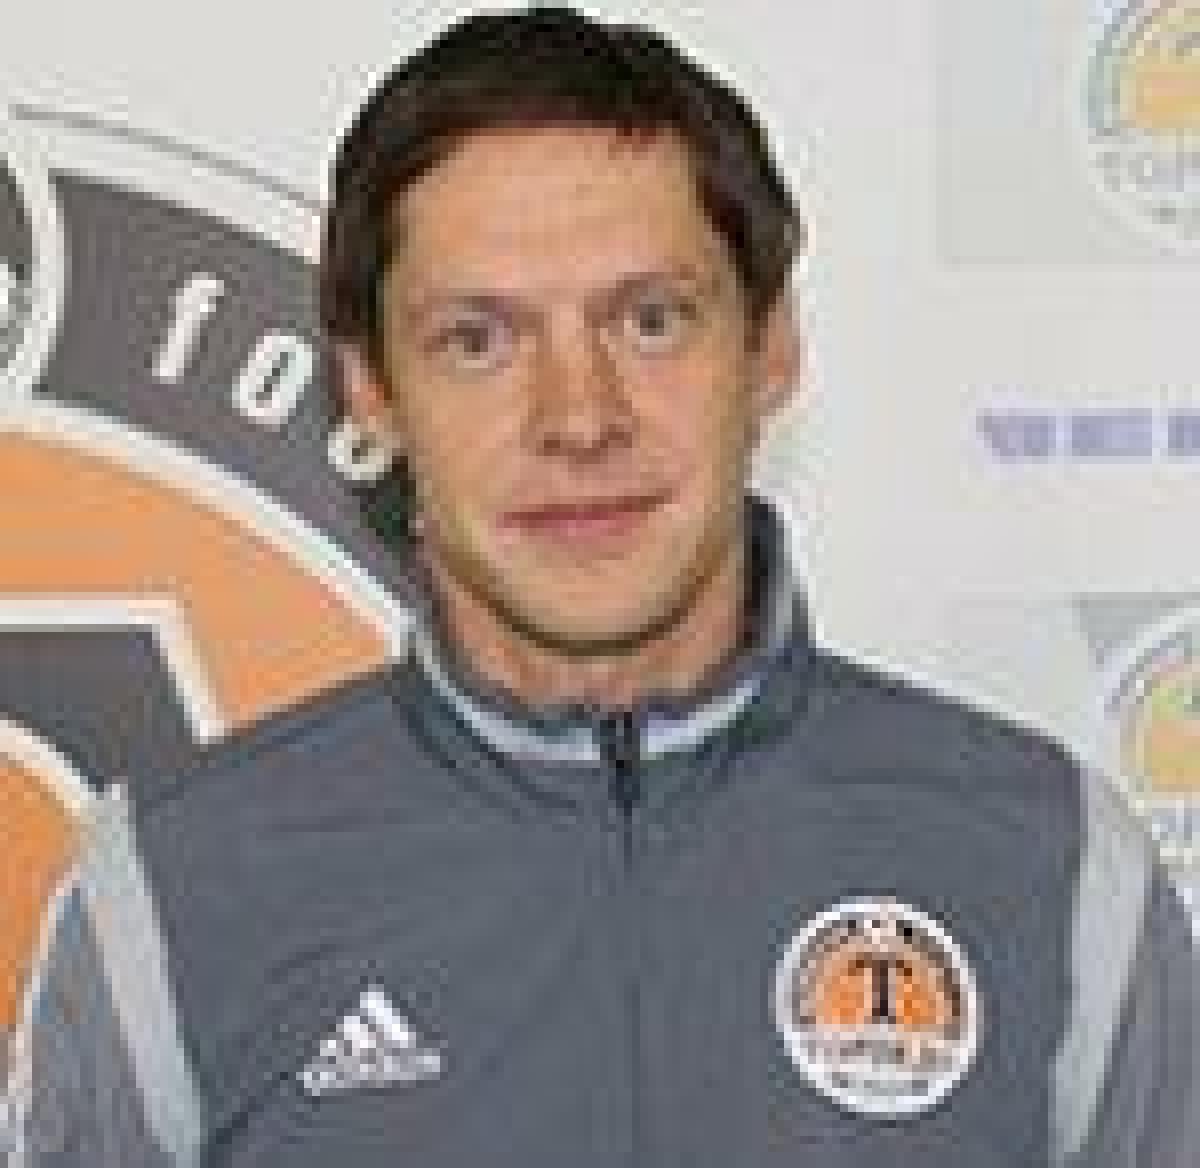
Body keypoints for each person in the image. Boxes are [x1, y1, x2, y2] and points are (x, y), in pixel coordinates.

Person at [8, 6, 1197, 1166]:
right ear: (369, 388)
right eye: (477, 338)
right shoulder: (173, 895)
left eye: (651, 319)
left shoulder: (1052, 869)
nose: (579, 418)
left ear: (771, 346)